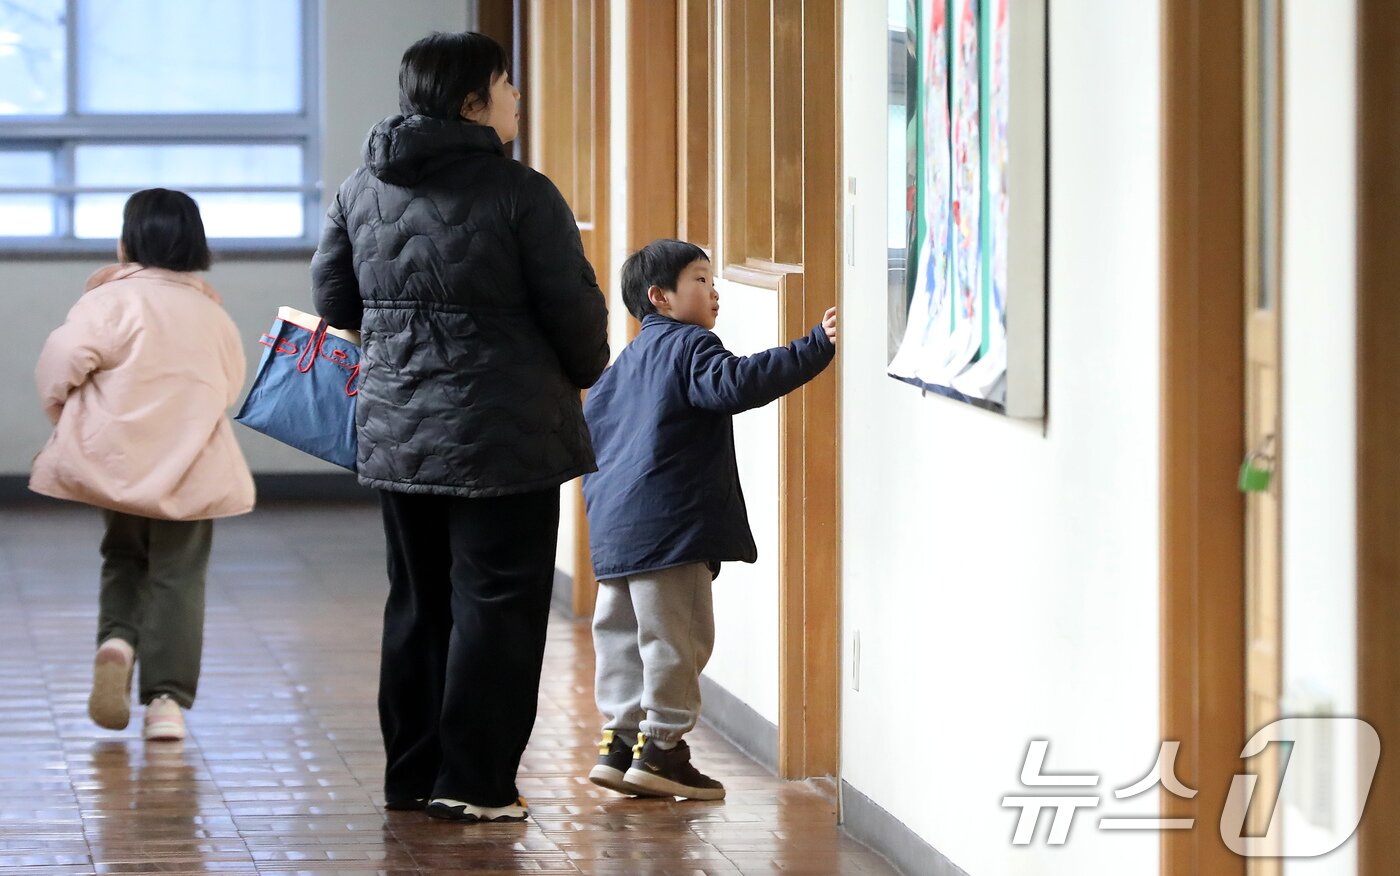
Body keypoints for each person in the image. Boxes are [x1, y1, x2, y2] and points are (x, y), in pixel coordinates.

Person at [311, 31, 609, 823]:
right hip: (504, 436)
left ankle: (410, 774)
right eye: (508, 85)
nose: (517, 98)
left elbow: (336, 305)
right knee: (499, 602)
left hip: (398, 431)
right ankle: (475, 782)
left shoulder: (358, 189)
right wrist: (585, 369)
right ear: (474, 100)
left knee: (417, 600)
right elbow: (574, 316)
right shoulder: (522, 193)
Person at [581, 239, 837, 800]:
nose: (715, 291)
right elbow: (736, 383)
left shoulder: (621, 368)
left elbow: (589, 440)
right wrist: (815, 346)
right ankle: (664, 750)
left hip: (615, 534)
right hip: (671, 530)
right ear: (661, 298)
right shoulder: (690, 346)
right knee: (677, 637)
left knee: (622, 639)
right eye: (701, 279)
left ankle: (619, 743)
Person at [31, 187, 256, 742]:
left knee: (123, 556)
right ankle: (166, 704)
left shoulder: (107, 301)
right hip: (191, 467)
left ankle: (117, 641)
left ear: (127, 241)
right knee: (178, 576)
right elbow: (229, 388)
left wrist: (67, 416)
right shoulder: (211, 313)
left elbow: (60, 364)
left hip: (117, 463)